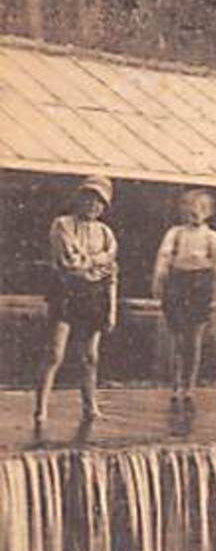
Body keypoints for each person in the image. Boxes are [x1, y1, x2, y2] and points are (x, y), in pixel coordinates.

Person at [34, 175, 119, 426]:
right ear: (79, 199)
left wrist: (111, 310)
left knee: (90, 356)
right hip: (67, 292)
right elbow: (70, 261)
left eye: (99, 202)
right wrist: (97, 261)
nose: (93, 206)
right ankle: (41, 408)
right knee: (54, 353)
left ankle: (89, 405)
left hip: (95, 296)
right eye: (89, 199)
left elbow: (112, 269)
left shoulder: (105, 232)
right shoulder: (62, 225)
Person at [153, 188, 216, 409]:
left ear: (209, 212)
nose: (193, 212)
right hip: (177, 284)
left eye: (200, 209)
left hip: (199, 286)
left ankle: (190, 386)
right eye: (189, 208)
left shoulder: (214, 238)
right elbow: (164, 259)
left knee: (194, 339)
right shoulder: (175, 233)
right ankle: (176, 385)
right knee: (177, 339)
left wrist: (215, 289)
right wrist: (159, 281)